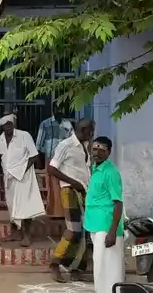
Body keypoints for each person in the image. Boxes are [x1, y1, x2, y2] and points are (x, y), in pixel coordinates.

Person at [0, 113, 45, 247]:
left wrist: (22, 171)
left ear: (13, 124)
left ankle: (26, 236)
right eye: (4, 126)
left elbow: (34, 156)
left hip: (24, 178)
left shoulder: (24, 136)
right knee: (13, 206)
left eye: (9, 125)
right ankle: (16, 233)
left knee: (25, 207)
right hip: (9, 179)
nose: (7, 128)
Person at [47, 118, 95, 283]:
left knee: (83, 231)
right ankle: (55, 262)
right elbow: (51, 168)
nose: (92, 134)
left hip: (84, 192)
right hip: (70, 191)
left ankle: (75, 267)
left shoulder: (85, 147)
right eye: (90, 130)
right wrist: (72, 182)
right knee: (73, 229)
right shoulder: (65, 145)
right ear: (83, 129)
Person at [84, 136, 125, 292]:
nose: (97, 153)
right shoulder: (95, 169)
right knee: (101, 267)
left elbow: (118, 203)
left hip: (107, 227)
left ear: (109, 153)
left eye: (102, 150)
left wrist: (112, 231)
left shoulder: (111, 172)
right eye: (95, 149)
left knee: (111, 269)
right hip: (95, 225)